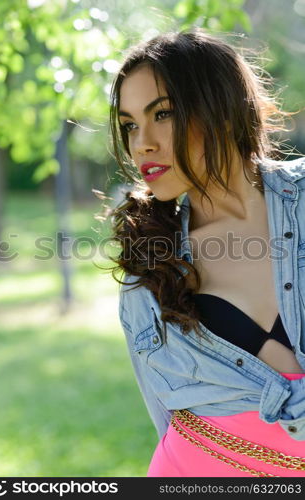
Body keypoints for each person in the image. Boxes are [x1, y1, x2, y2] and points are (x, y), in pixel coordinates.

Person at [107, 27, 305, 477]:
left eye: (164, 114)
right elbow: (162, 415)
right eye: (130, 125)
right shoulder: (149, 268)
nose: (142, 144)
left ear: (225, 110)